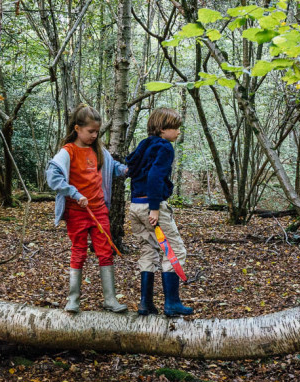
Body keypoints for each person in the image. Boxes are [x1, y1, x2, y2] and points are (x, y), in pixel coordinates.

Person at [46, 104, 128, 313]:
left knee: (105, 251)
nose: (94, 135)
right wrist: (74, 193)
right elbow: (53, 176)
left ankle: (110, 299)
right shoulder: (68, 151)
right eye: (90, 131)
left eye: (96, 132)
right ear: (77, 128)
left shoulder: (98, 150)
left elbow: (114, 168)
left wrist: (129, 170)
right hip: (77, 212)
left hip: (99, 210)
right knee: (79, 251)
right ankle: (73, 299)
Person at [125, 107, 193, 317]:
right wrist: (154, 207)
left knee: (148, 249)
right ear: (163, 130)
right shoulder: (165, 147)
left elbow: (130, 167)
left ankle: (146, 304)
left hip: (135, 205)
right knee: (175, 250)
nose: (178, 132)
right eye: (175, 128)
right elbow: (155, 176)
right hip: (152, 206)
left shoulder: (144, 144)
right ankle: (172, 303)